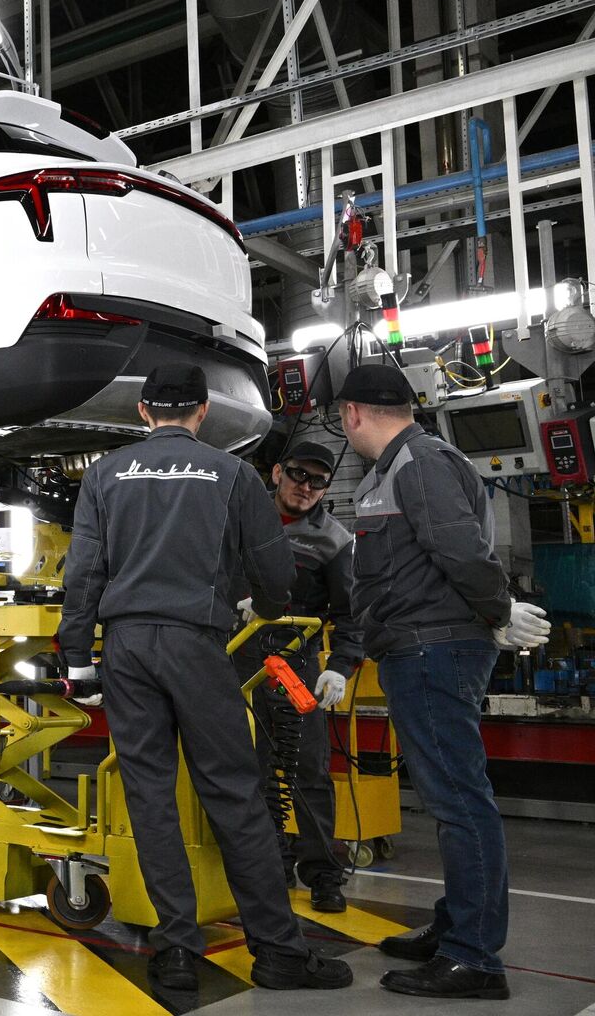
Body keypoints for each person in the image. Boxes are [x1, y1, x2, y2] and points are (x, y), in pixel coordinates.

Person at [58, 363, 352, 993]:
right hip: (198, 646)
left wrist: (79, 661)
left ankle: (175, 952)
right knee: (234, 794)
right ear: (201, 413)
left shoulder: (105, 475)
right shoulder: (235, 474)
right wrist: (267, 609)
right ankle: (277, 951)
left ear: (143, 412)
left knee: (151, 798)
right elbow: (274, 568)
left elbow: (81, 572)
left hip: (128, 650)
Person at [337, 363, 547, 1000]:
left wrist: (497, 609)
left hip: (432, 650)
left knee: (459, 801)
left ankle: (473, 957)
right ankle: (459, 924)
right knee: (452, 798)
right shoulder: (404, 464)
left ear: (351, 414)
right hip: (422, 647)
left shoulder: (419, 463)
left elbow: (457, 548)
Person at [235, 440, 364, 913]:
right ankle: (267, 865)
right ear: (276, 474)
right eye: (297, 475)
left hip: (297, 667)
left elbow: (351, 614)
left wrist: (338, 667)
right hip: (238, 661)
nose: (305, 487)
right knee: (250, 769)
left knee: (309, 770)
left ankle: (323, 874)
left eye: (317, 481)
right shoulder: (240, 523)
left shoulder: (334, 540)